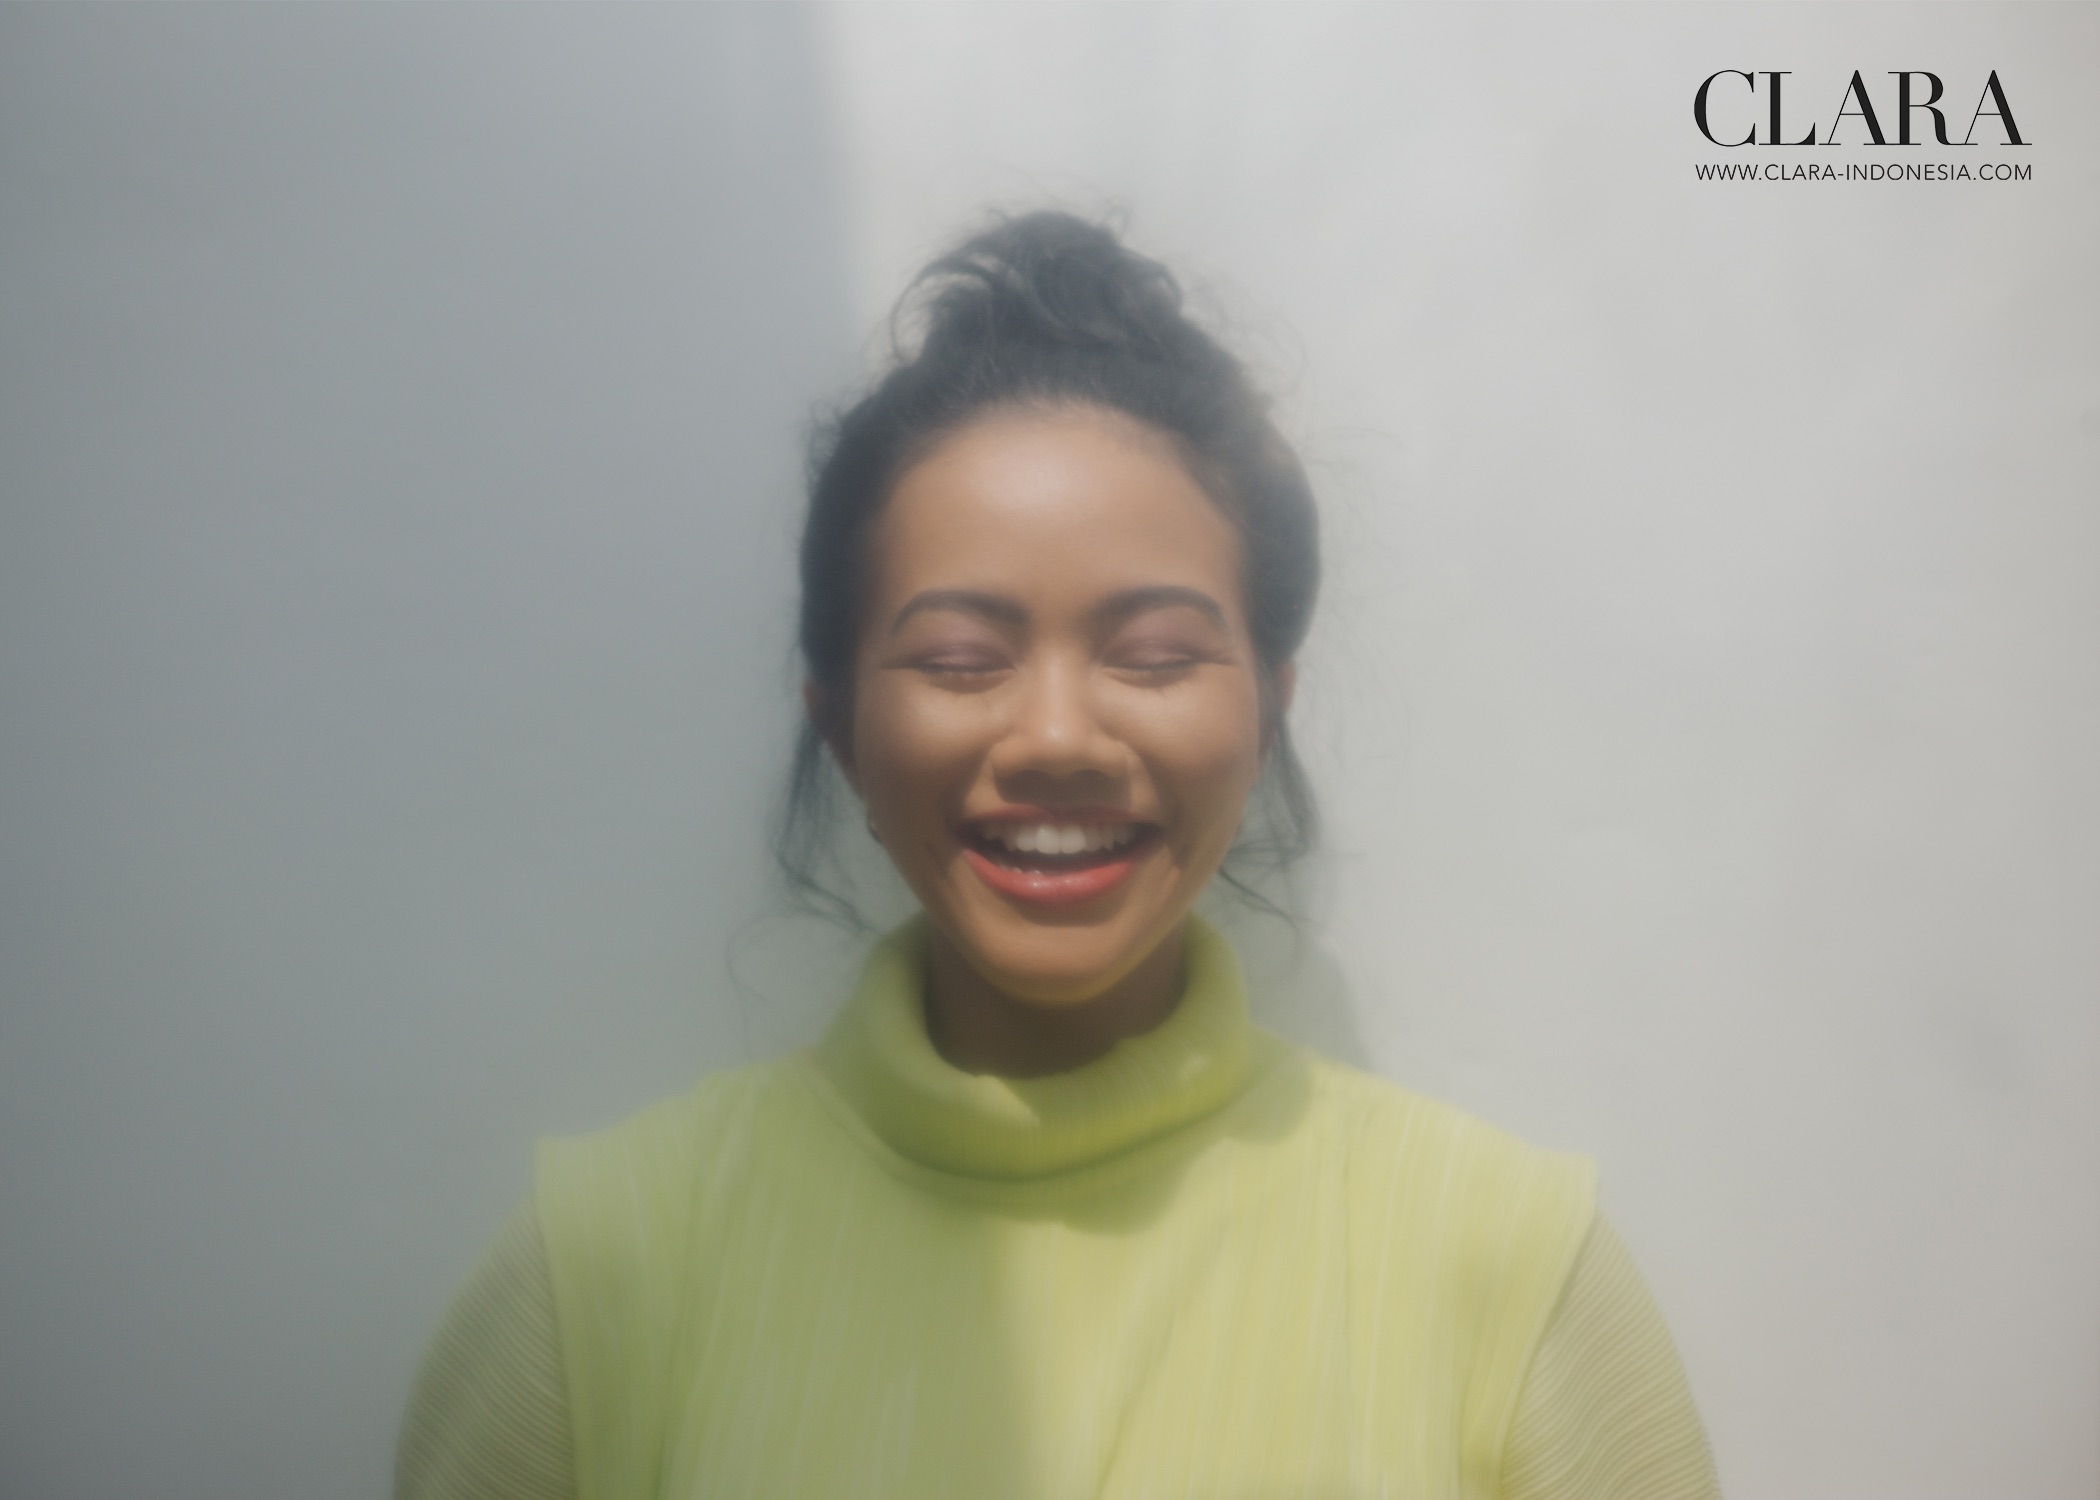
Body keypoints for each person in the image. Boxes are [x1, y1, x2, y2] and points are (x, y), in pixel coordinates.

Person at [396, 211, 1722, 1500]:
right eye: (960, 658)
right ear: (842, 730)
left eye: (1153, 656)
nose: (1055, 738)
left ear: (1266, 714)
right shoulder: (598, 1282)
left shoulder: (1510, 1280)